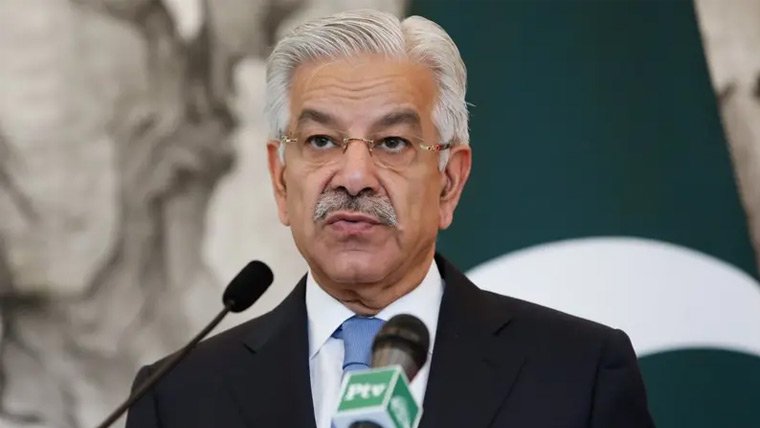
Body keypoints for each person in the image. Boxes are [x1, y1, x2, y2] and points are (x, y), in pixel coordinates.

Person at [126, 9, 654, 428]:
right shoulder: (179, 399)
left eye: (393, 142)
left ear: (449, 181)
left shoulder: (577, 375)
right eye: (321, 141)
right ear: (281, 179)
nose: (354, 176)